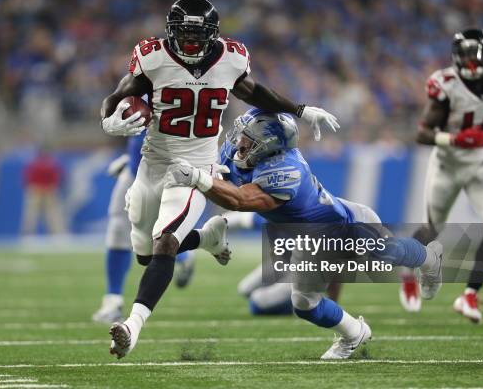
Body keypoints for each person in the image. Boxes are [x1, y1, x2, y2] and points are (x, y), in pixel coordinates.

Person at [100, 0, 339, 359]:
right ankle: (207, 239)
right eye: (185, 34)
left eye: (199, 35)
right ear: (170, 32)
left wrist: (301, 110)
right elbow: (118, 95)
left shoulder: (231, 57)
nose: (192, 42)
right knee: (146, 254)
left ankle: (132, 326)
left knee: (165, 241)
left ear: (213, 34)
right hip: (154, 161)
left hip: (198, 165)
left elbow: (255, 92)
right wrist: (108, 119)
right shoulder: (151, 56)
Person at [164, 108, 444, 359]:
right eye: (242, 134)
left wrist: (198, 178)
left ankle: (430, 259)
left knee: (388, 253)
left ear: (267, 146)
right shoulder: (245, 152)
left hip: (346, 228)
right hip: (312, 239)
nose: (239, 142)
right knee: (304, 304)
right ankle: (354, 333)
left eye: (248, 138)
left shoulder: (285, 171)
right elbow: (217, 174)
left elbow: (239, 200)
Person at [399, 29, 483, 323]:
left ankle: (470, 295)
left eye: (474, 56)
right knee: (431, 230)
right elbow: (422, 133)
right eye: (464, 56)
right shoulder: (446, 84)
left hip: (479, 164)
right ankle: (407, 269)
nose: (469, 63)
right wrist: (456, 139)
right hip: (447, 165)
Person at [92, 131, 195, 323]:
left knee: (160, 233)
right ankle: (113, 300)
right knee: (118, 227)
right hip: (136, 168)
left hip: (169, 170)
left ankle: (185, 255)